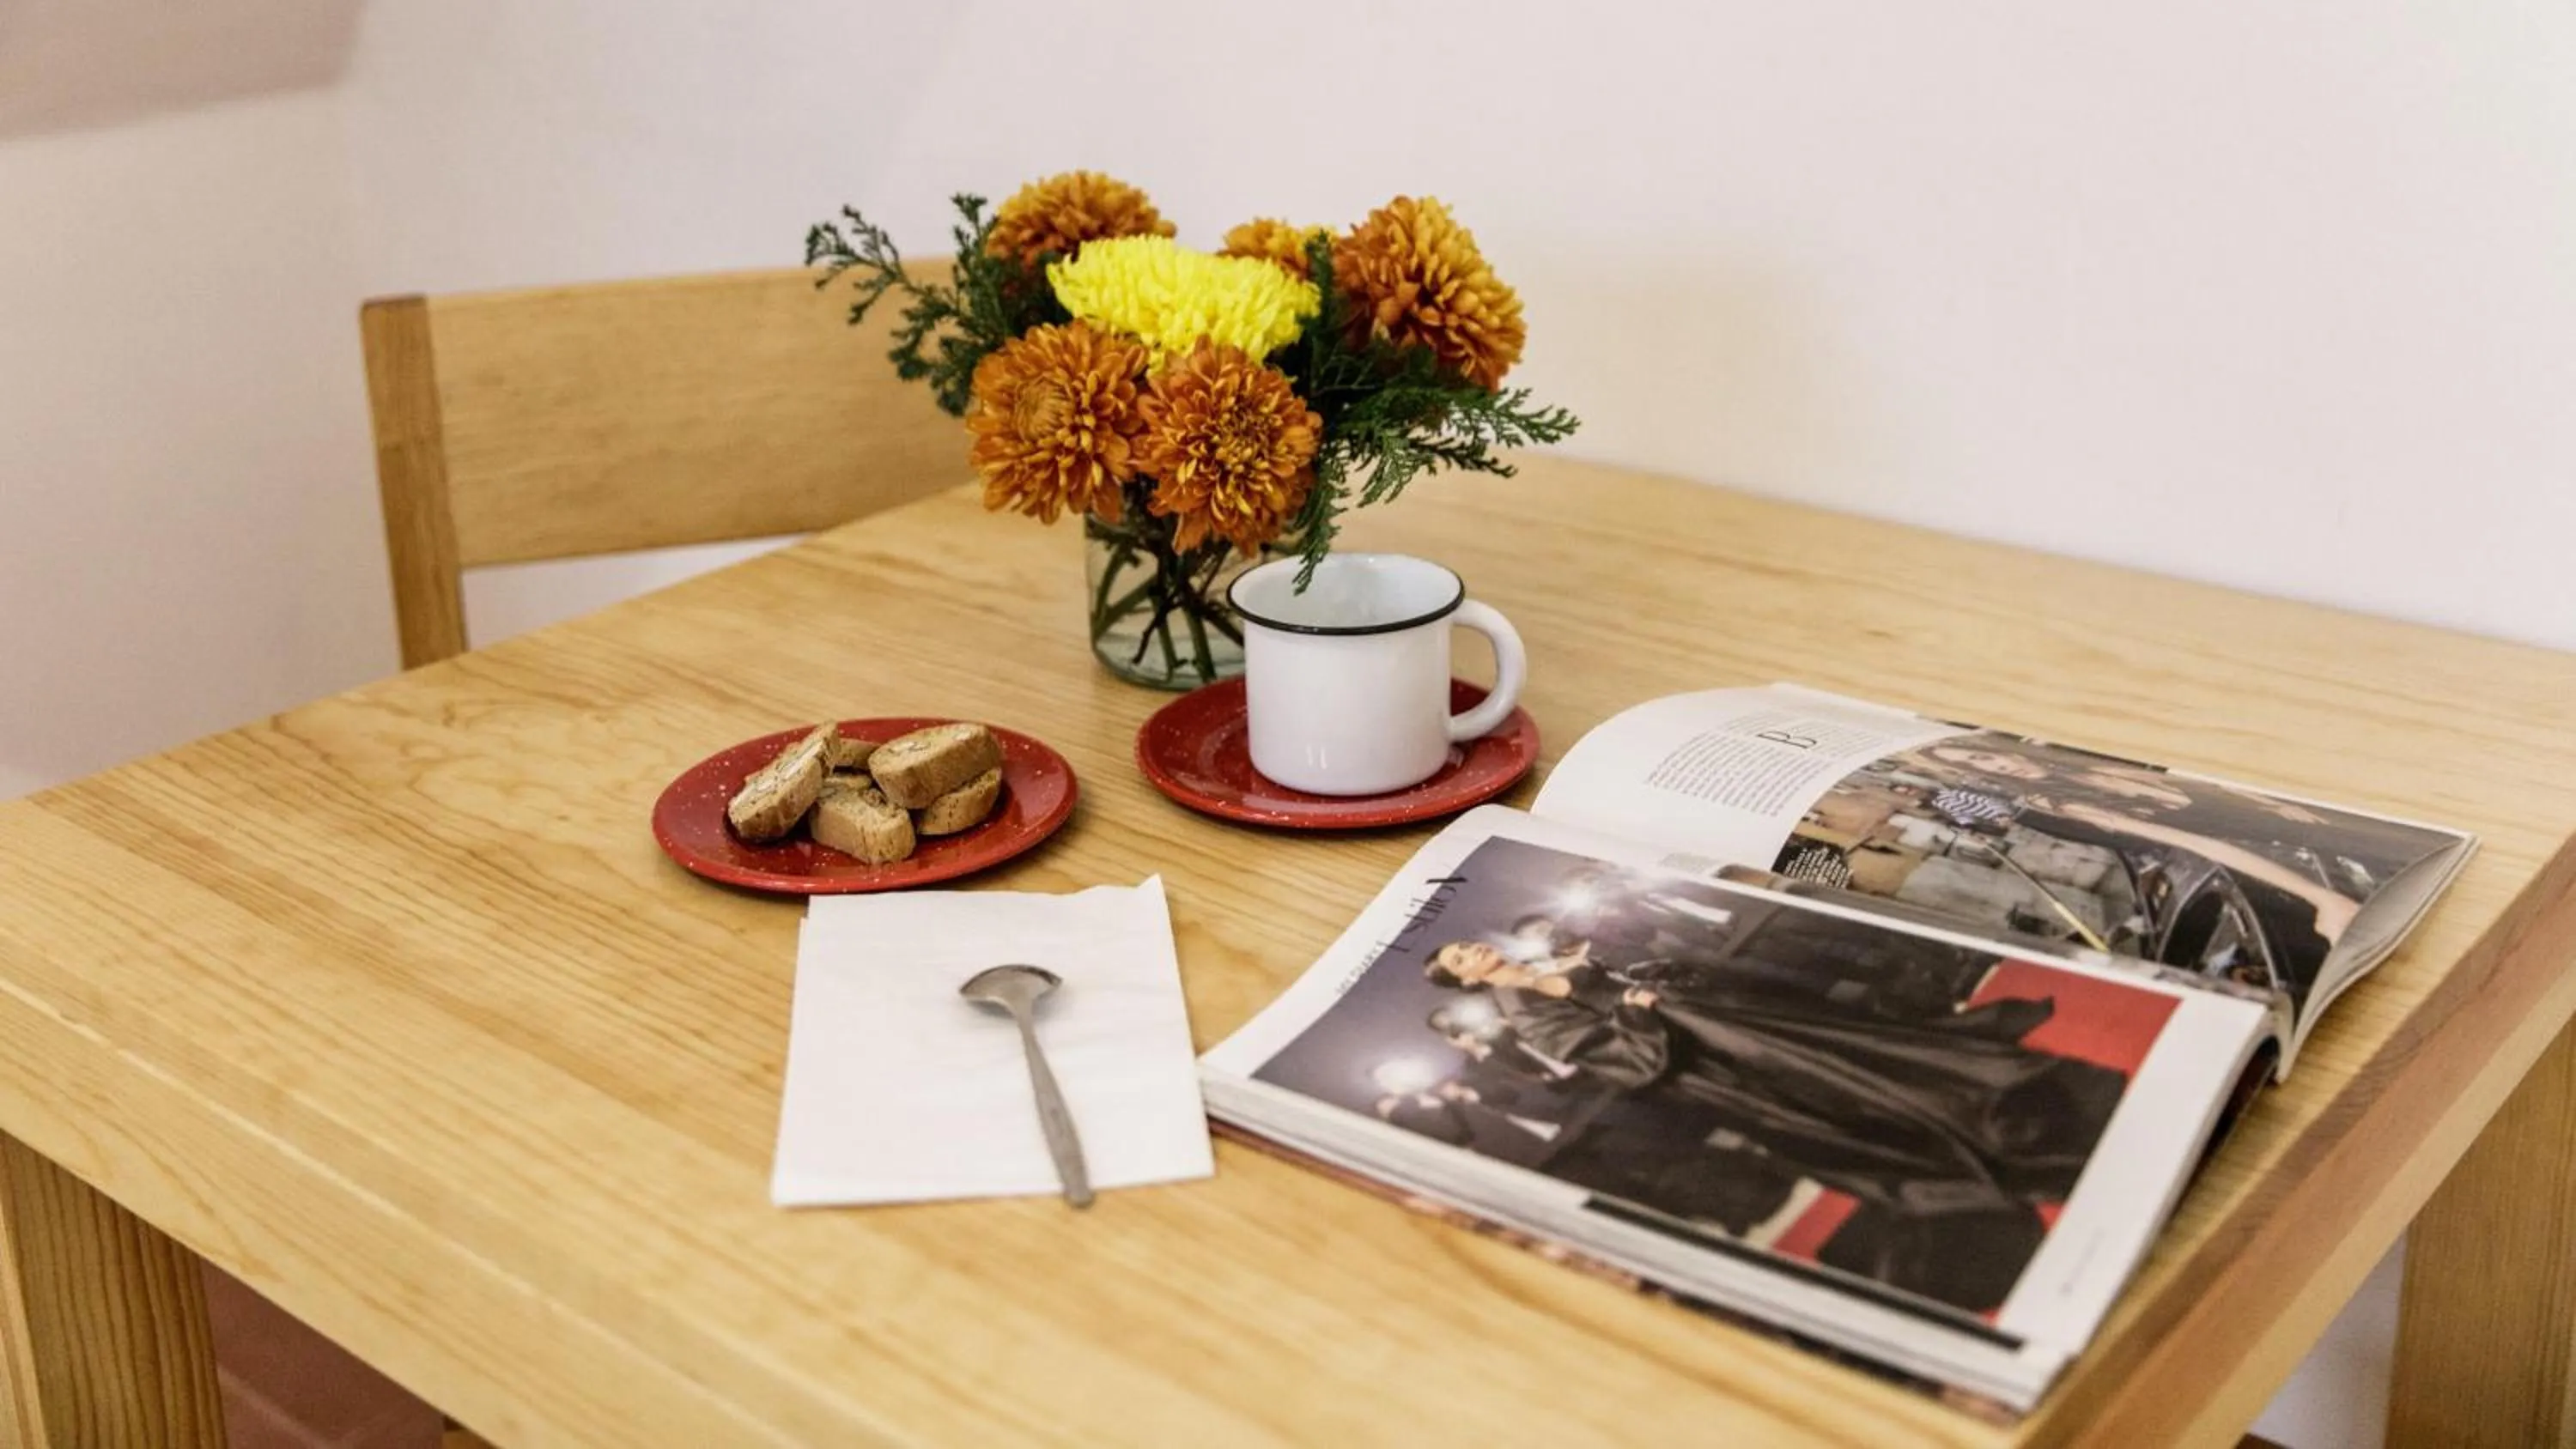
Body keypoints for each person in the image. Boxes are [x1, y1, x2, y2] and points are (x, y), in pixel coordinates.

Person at [1425, 937, 2127, 1207]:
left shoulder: (1551, 961)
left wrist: (1638, 978)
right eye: (1462, 963)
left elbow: (1638, 983)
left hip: (1740, 1026)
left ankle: (1994, 1087)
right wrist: (1638, 1011)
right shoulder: (1525, 1016)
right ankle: (1988, 1130)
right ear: (1466, 987)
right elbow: (1632, 1064)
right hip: (1721, 1064)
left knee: (1874, 1054)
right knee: (1858, 1094)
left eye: (1467, 946)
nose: (1474, 955)